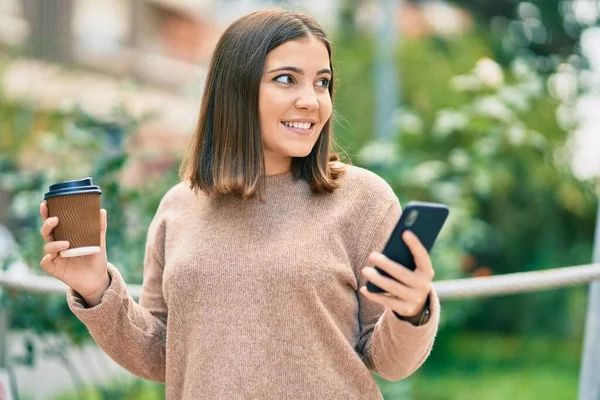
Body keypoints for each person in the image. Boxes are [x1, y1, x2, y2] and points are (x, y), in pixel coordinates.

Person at [39, 8, 439, 399]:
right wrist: (97, 290)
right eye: (286, 79)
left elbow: (390, 362)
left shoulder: (362, 200)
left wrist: (412, 310)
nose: (311, 101)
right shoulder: (180, 206)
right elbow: (163, 356)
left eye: (322, 83)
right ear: (235, 89)